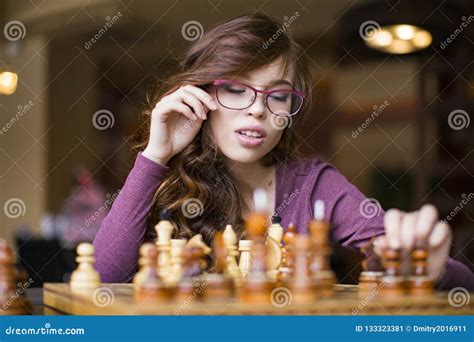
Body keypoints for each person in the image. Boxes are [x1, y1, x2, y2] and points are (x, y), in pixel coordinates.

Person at [93, 13, 473, 290]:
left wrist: (429, 266)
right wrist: (155, 156)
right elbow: (103, 278)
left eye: (278, 95)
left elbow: (463, 284)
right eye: (236, 89)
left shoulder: (312, 186)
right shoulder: (163, 180)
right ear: (201, 95)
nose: (258, 108)